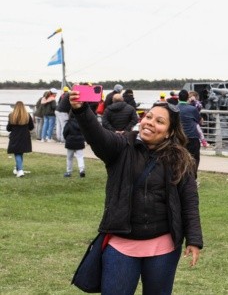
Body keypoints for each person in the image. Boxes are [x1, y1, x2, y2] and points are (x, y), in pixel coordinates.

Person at [69, 92, 202, 293]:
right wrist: (81, 109)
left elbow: (189, 201)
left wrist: (194, 240)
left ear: (168, 132)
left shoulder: (180, 159)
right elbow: (97, 136)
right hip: (121, 245)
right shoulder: (122, 146)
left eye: (159, 121)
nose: (149, 123)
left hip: (163, 247)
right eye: (148, 117)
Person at [177, 89, 202, 176]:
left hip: (179, 137)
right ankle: (193, 178)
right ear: (187, 98)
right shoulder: (192, 109)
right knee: (194, 158)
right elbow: (200, 121)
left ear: (178, 98)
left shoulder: (174, 108)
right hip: (192, 136)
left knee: (180, 158)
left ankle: (180, 176)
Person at [6, 101, 33, 177]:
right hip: (25, 136)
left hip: (15, 137)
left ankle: (20, 171)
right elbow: (31, 127)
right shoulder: (27, 115)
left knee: (17, 153)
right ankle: (18, 169)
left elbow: (8, 128)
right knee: (20, 153)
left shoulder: (11, 115)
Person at [62, 111, 86, 178]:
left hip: (70, 142)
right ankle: (82, 170)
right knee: (80, 157)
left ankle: (69, 172)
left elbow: (65, 132)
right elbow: (85, 132)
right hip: (79, 142)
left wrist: (67, 139)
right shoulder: (82, 123)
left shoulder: (68, 123)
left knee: (69, 158)